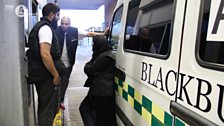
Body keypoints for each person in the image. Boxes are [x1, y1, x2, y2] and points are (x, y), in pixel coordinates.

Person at [26, 3, 65, 126]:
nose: (59, 18)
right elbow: (45, 54)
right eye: (58, 15)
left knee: (46, 107)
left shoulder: (42, 27)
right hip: (46, 77)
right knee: (47, 110)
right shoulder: (45, 28)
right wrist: (55, 75)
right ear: (52, 15)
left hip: (43, 75)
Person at [79, 35, 117, 126]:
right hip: (101, 91)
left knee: (87, 110)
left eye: (94, 44)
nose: (93, 46)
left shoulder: (106, 57)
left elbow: (90, 69)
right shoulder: (103, 54)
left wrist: (88, 64)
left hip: (102, 92)